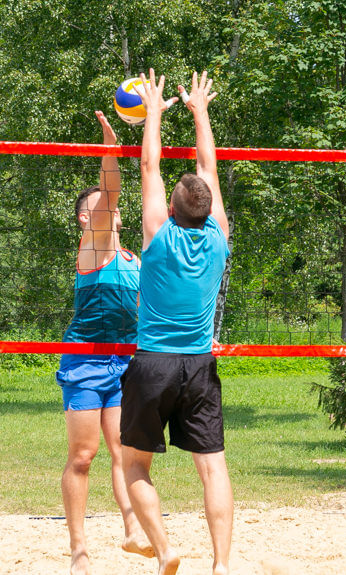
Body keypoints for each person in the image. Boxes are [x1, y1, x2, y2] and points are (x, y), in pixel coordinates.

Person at [121, 69, 232, 575]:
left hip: (152, 365)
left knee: (133, 464)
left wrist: (153, 113)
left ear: (171, 206)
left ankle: (165, 549)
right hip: (200, 365)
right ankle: (222, 565)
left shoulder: (157, 235)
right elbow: (207, 165)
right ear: (209, 209)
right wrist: (199, 110)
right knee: (212, 468)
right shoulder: (219, 239)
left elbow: (149, 165)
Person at [56, 110, 152, 574]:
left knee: (123, 452)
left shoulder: (134, 256)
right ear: (84, 218)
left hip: (125, 361)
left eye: (110, 208)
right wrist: (111, 146)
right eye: (98, 207)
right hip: (85, 361)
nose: (109, 210)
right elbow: (110, 191)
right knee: (83, 455)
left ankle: (132, 530)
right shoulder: (94, 248)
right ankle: (79, 550)